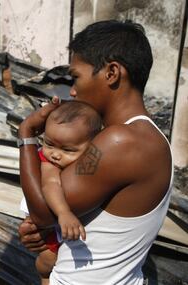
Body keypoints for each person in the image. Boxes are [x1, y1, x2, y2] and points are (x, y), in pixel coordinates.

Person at [17, 20, 173, 285]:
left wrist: (26, 136)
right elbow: (53, 218)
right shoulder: (137, 136)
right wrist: (47, 234)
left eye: (76, 76)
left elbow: (42, 212)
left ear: (112, 72)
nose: (73, 90)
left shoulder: (122, 141)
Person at [19, 101, 102, 284]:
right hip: (49, 213)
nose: (55, 154)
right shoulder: (49, 163)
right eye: (49, 144)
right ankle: (44, 276)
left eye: (67, 150)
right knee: (47, 261)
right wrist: (64, 212)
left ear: (91, 147)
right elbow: (51, 184)